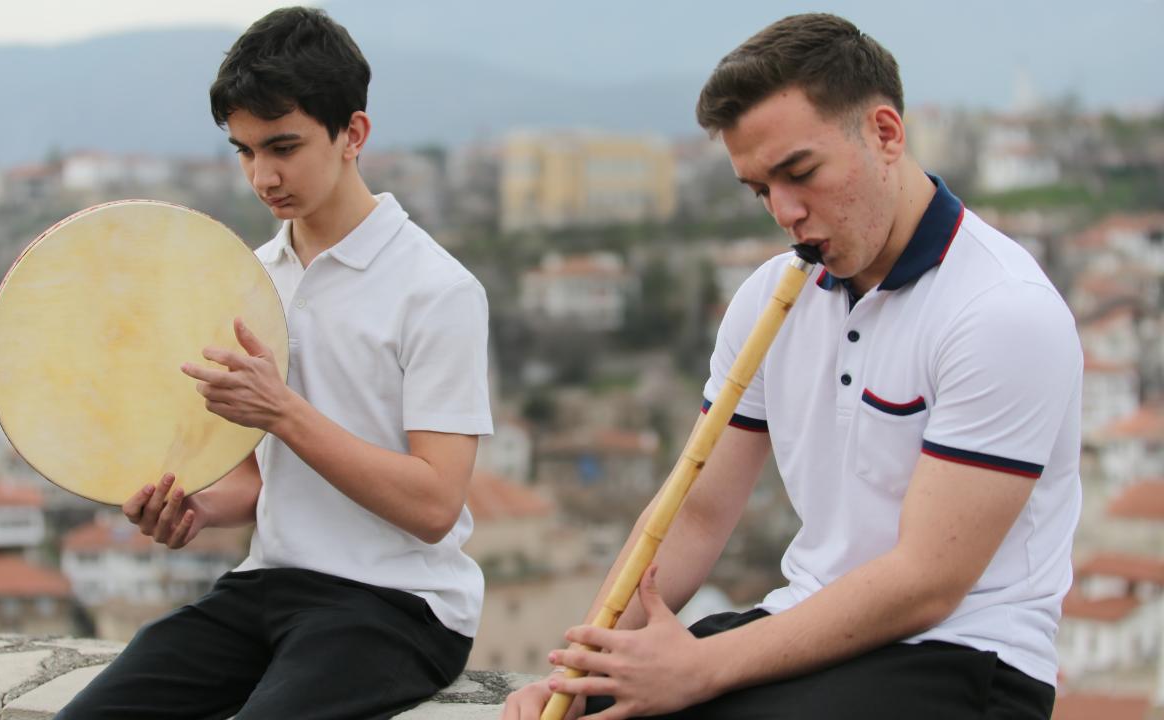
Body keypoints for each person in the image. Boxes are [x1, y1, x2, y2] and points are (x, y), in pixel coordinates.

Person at [504, 13, 1079, 720]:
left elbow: (927, 581)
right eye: (759, 190)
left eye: (799, 173)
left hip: (964, 654)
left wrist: (701, 668)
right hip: (804, 625)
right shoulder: (767, 299)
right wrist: (580, 672)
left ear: (886, 134)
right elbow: (697, 513)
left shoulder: (1002, 312)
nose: (785, 212)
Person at [57, 7, 493, 719]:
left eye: (283, 146)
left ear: (353, 134)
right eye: (244, 150)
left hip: (400, 605)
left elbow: (435, 507)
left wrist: (284, 412)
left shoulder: (438, 290)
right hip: (268, 583)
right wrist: (196, 506)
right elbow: (259, 481)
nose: (263, 176)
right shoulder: (248, 278)